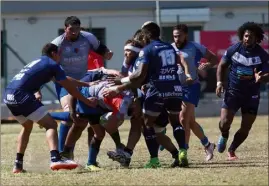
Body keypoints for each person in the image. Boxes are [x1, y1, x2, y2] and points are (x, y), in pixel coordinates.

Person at [103, 21, 189, 167]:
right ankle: (181, 153)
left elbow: (139, 76)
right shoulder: (169, 47)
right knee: (168, 125)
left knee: (146, 124)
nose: (125, 54)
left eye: (128, 51)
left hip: (157, 92)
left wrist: (119, 85)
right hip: (174, 89)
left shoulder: (146, 52)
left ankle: (152, 160)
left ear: (146, 35)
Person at [3, 43, 97, 173]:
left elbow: (65, 80)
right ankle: (55, 159)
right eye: (59, 54)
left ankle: (18, 165)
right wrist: (87, 101)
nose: (60, 57)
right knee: (51, 125)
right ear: (54, 53)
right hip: (21, 95)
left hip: (8, 95)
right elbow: (69, 88)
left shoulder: (40, 61)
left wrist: (86, 84)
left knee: (27, 126)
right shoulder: (53, 65)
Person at [41, 16, 113, 154]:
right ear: (65, 29)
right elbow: (46, 63)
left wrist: (106, 53)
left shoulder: (88, 37)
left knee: (87, 119)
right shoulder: (57, 43)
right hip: (64, 82)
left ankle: (83, 157)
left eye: (77, 29)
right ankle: (62, 153)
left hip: (84, 81)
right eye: (71, 29)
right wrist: (38, 88)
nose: (74, 32)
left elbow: (100, 48)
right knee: (71, 116)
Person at [216, 22, 269, 160]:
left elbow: (267, 75)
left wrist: (262, 77)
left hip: (251, 95)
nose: (247, 39)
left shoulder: (262, 55)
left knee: (246, 127)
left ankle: (232, 149)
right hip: (233, 91)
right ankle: (224, 135)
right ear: (241, 36)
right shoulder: (234, 49)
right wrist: (219, 82)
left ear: (257, 38)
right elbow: (222, 66)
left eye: (250, 37)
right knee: (224, 122)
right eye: (245, 36)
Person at [171, 24, 218, 161]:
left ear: (186, 35)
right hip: (174, 88)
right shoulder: (170, 48)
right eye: (174, 36)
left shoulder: (195, 47)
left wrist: (207, 65)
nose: (177, 39)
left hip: (191, 86)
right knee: (190, 122)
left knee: (183, 120)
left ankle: (183, 151)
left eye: (179, 36)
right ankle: (208, 145)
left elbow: (214, 59)